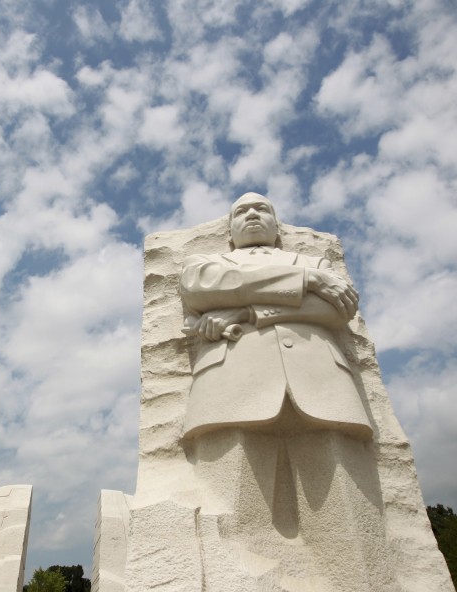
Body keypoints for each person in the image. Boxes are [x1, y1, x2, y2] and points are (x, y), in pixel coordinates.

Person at [177, 192, 391, 591]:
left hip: (323, 382)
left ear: (278, 228)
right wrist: (305, 283)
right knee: (231, 521)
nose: (253, 214)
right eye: (242, 211)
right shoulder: (207, 264)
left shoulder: (317, 261)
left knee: (349, 525)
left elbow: (336, 312)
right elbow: (200, 288)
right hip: (231, 386)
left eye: (263, 209)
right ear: (229, 231)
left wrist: (247, 312)